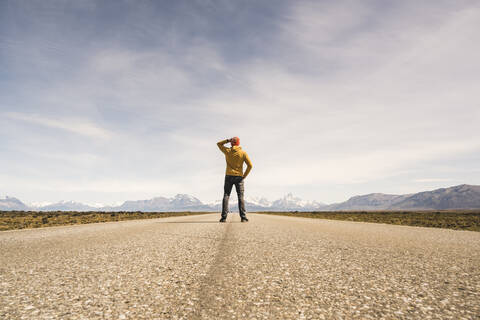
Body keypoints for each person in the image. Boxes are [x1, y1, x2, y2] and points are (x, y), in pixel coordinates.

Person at [217, 137, 253, 223]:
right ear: (238, 143)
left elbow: (218, 144)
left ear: (231, 143)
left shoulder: (227, 151)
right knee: (240, 196)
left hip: (228, 176)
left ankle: (223, 218)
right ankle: (243, 217)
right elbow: (250, 165)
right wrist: (244, 176)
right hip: (239, 177)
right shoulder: (243, 153)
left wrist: (227, 140)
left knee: (226, 195)